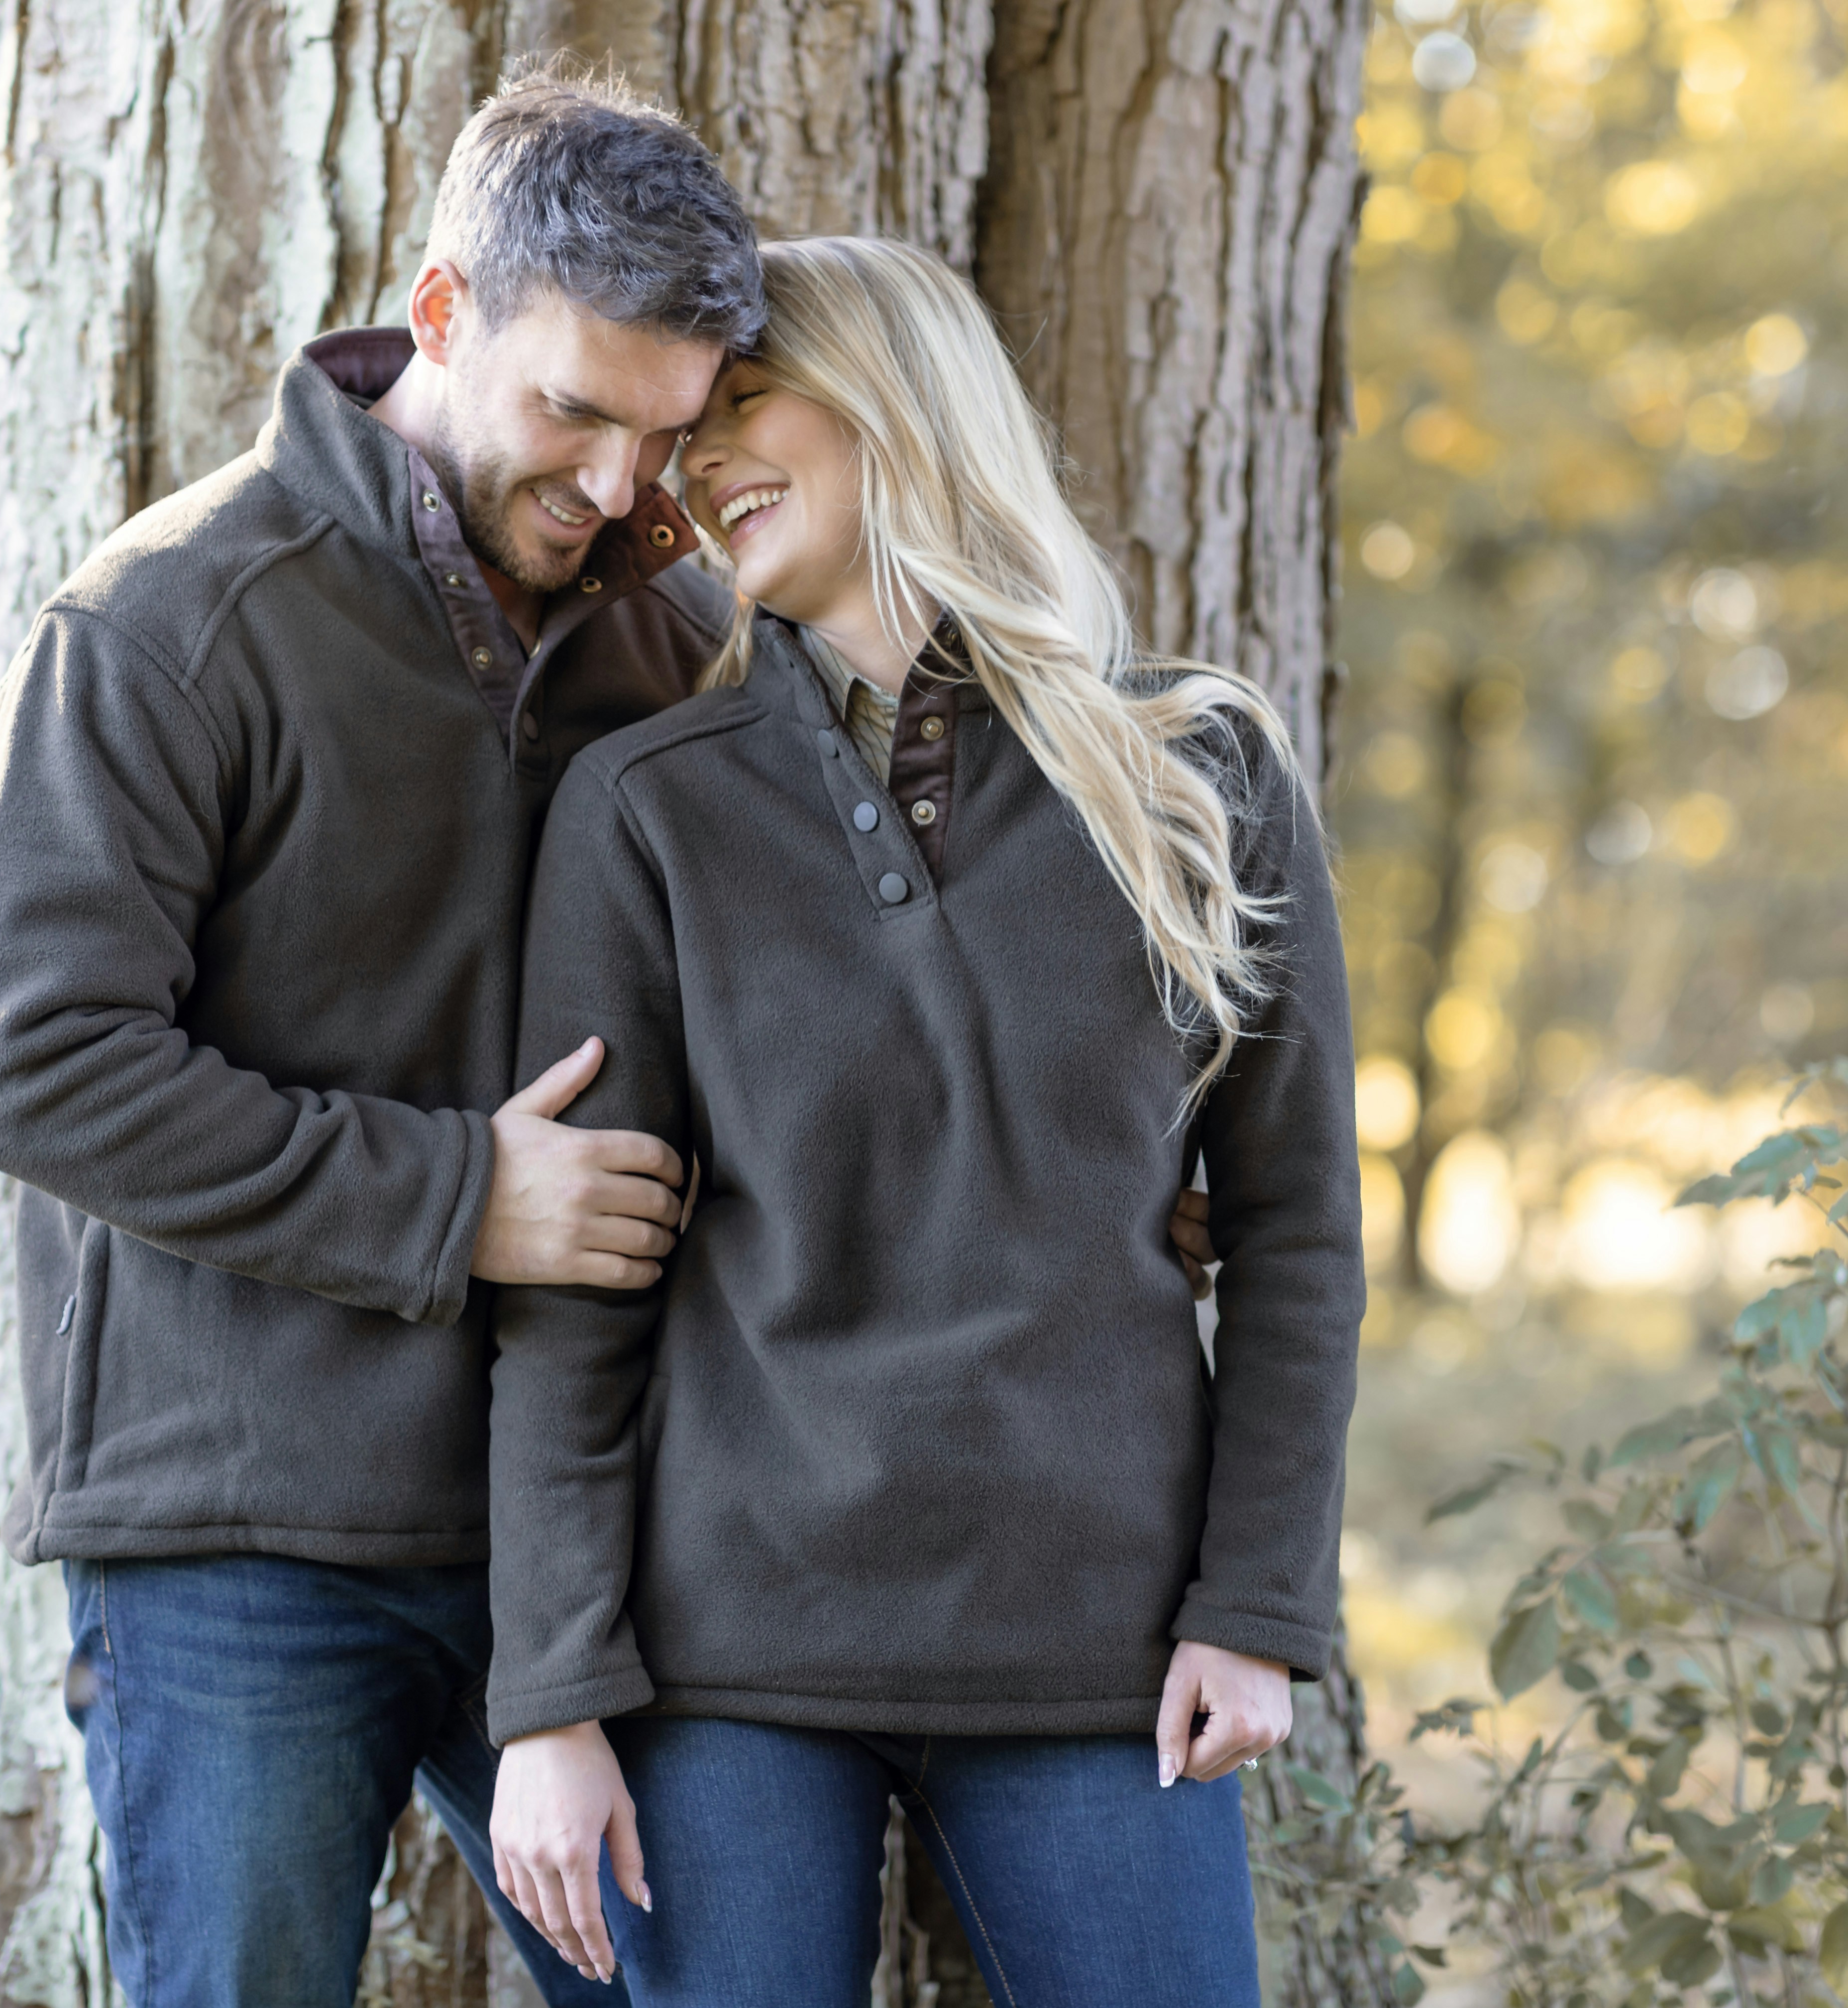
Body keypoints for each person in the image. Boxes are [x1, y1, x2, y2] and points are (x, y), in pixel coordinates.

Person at [0, 65, 759, 2008]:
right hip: (237, 1522)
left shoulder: (677, 647)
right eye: (574, 412)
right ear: (446, 312)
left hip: (587, 1541)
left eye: (670, 433)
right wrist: (458, 1194)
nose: (622, 490)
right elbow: (40, 1061)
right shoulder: (165, 623)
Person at [481, 236, 1367, 2004]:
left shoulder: (1199, 780)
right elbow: (584, 1278)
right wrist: (554, 1694)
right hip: (728, 1659)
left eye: (744, 403)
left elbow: (1295, 1233)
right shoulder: (647, 808)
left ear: (892, 394)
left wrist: (1255, 1608)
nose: (696, 464)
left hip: (1102, 1651)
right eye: (684, 436)